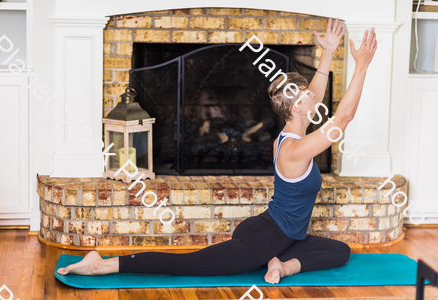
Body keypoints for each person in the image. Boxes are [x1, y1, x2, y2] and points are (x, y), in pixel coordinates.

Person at [57, 18, 377, 285]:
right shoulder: (295, 149)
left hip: (274, 232)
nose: (313, 94)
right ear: (297, 106)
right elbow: (343, 117)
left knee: (340, 252)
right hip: (264, 238)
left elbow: (317, 96)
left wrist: (329, 52)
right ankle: (103, 264)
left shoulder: (298, 130)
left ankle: (283, 265)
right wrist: (361, 66)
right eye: (307, 93)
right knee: (188, 266)